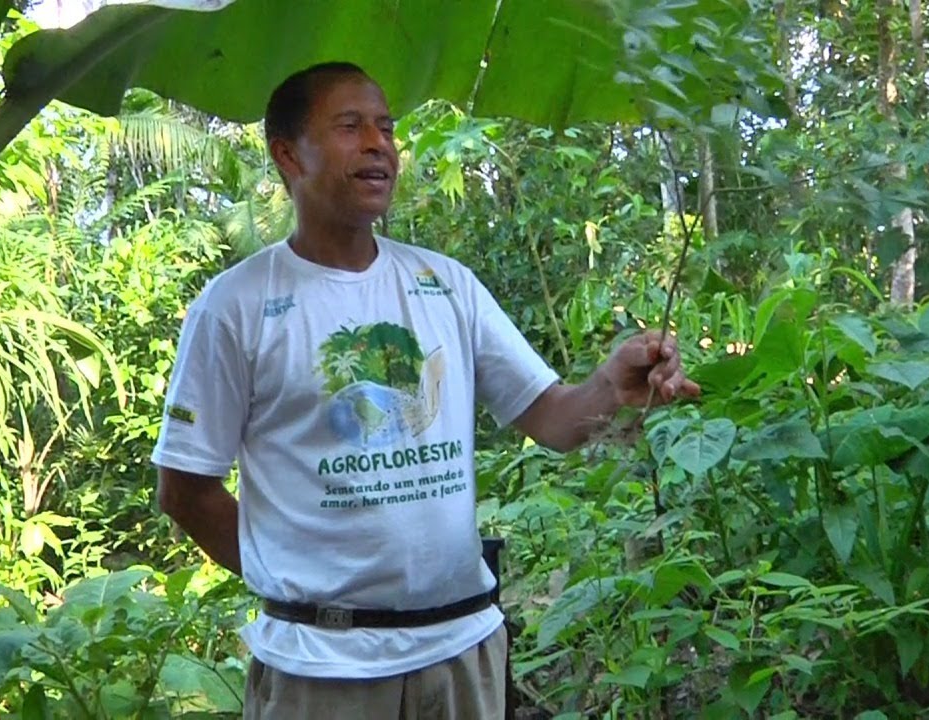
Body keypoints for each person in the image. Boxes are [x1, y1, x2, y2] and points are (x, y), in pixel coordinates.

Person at [151, 61, 700, 720]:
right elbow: (184, 489)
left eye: (386, 127)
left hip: (461, 653)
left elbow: (554, 420)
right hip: (320, 669)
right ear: (288, 154)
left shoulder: (447, 285)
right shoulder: (236, 306)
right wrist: (293, 581)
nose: (380, 143)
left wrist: (612, 385)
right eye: (351, 126)